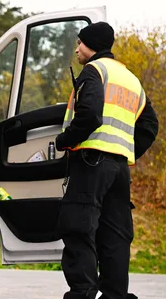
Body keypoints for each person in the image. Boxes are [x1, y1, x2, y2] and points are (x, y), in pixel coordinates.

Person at [55, 22, 159, 299]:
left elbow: (89, 114)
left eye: (80, 43)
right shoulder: (131, 79)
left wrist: (65, 140)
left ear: (92, 45)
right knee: (115, 235)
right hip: (120, 170)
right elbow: (150, 125)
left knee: (79, 227)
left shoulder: (94, 71)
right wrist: (126, 149)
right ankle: (115, 295)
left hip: (90, 162)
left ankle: (84, 293)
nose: (76, 49)